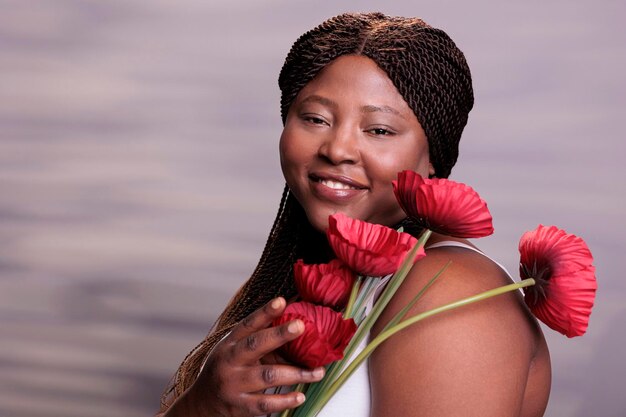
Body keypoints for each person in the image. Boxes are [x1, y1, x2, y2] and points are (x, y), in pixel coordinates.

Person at [156, 12, 551, 417]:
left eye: (379, 129)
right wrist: (200, 407)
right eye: (315, 119)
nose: (337, 148)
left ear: (434, 155)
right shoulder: (320, 281)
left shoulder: (450, 292)